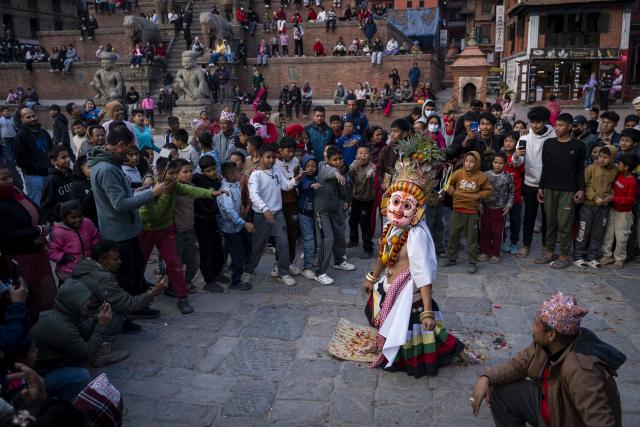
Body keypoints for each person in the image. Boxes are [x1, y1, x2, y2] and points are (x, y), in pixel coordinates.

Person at [363, 139, 464, 377]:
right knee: (381, 315)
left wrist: (427, 311)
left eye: (406, 205)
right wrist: (372, 276)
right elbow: (385, 254)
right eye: (396, 202)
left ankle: (452, 349)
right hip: (389, 285)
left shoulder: (416, 236)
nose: (398, 209)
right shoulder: (390, 227)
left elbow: (423, 275)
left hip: (411, 292)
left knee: (417, 329)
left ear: (417, 210)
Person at [471, 292, 625, 427]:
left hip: (563, 419)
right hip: (551, 403)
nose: (533, 328)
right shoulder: (546, 345)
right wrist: (486, 378)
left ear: (551, 335)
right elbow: (520, 364)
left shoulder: (581, 371)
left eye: (536, 324)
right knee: (501, 392)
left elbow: (600, 421)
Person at [89, 123, 168, 308]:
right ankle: (132, 309)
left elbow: (119, 196)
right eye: (130, 149)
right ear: (121, 144)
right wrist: (152, 194)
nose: (131, 154)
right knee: (128, 275)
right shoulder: (107, 168)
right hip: (120, 231)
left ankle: (139, 302)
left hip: (125, 227)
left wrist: (138, 191)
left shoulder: (108, 163)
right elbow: (120, 204)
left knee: (135, 270)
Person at [31, 280, 128, 399]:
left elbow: (83, 334)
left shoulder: (64, 314)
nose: (88, 303)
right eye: (84, 300)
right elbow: (86, 354)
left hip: (54, 365)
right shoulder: (61, 327)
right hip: (39, 377)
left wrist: (97, 319)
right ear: (74, 303)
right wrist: (102, 325)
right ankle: (65, 407)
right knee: (81, 376)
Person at [244, 144, 303, 287]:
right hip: (262, 216)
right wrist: (265, 208)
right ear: (260, 158)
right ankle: (249, 270)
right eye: (268, 157)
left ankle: (283, 272)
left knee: (283, 243)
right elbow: (254, 195)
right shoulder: (255, 175)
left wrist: (296, 180)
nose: (271, 160)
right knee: (258, 246)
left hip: (277, 214)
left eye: (273, 157)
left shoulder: (276, 170)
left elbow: (285, 186)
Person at [536, 113, 587, 268]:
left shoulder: (578, 146)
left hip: (568, 190)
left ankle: (565, 256)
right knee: (550, 222)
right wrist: (541, 187)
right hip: (549, 188)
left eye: (561, 125)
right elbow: (545, 167)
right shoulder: (549, 144)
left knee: (564, 224)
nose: (557, 128)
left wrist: (581, 189)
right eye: (556, 125)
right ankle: (549, 252)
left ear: (570, 127)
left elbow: (580, 170)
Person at [443, 151, 492, 273]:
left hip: (472, 211)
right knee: (454, 235)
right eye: (467, 161)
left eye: (472, 162)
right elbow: (448, 185)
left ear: (477, 163)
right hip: (457, 209)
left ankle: (472, 261)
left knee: (472, 237)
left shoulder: (481, 176)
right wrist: (453, 192)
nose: (468, 164)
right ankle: (451, 258)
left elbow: (488, 190)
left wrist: (478, 196)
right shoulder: (458, 173)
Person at [516, 107, 556, 258]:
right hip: (530, 183)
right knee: (529, 215)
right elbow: (519, 161)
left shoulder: (553, 135)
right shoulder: (525, 137)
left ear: (545, 121)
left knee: (548, 217)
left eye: (538, 122)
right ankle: (526, 245)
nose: (534, 125)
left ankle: (547, 246)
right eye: (532, 122)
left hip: (548, 184)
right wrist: (515, 156)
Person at [314, 145, 355, 285]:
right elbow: (329, 171)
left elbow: (345, 189)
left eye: (340, 158)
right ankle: (319, 271)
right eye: (335, 159)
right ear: (328, 159)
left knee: (339, 234)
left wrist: (345, 201)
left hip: (335, 209)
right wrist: (337, 173)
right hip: (322, 211)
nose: (338, 161)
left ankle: (339, 261)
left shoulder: (343, 170)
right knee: (327, 239)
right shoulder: (323, 167)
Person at [573, 144, 617, 269]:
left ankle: (592, 257)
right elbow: (584, 186)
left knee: (598, 232)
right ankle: (578, 256)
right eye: (600, 156)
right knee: (583, 231)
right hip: (588, 206)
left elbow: (614, 187)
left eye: (606, 157)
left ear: (613, 158)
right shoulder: (590, 168)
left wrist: (610, 197)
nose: (601, 159)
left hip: (603, 208)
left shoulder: (614, 170)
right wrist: (594, 197)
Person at [192, 156, 228, 292]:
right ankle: (209, 280)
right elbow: (187, 176)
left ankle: (216, 272)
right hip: (201, 220)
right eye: (208, 171)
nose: (212, 173)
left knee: (217, 247)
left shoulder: (218, 182)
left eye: (213, 169)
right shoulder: (199, 179)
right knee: (206, 249)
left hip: (213, 219)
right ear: (202, 172)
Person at [216, 161, 254, 291]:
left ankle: (234, 269)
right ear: (231, 176)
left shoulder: (235, 183)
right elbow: (230, 211)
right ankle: (235, 282)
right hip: (231, 228)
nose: (241, 173)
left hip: (236, 225)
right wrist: (245, 224)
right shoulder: (226, 191)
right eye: (238, 171)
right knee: (238, 253)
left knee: (239, 250)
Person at [47, 200, 100, 283]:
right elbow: (52, 251)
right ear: (64, 218)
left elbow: (95, 236)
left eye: (80, 216)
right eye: (73, 217)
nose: (78, 219)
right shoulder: (58, 232)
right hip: (69, 271)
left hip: (89, 265)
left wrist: (95, 249)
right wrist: (63, 257)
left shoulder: (87, 223)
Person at [478, 152, 513, 264]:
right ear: (492, 163)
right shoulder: (485, 175)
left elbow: (511, 193)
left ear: (505, 164)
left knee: (497, 232)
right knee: (485, 231)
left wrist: (508, 206)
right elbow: (479, 190)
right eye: (495, 162)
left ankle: (495, 253)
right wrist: (479, 204)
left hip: (500, 209)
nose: (498, 165)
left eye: (500, 163)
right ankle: (484, 251)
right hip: (486, 208)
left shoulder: (507, 177)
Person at [14, 108, 53, 205]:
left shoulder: (44, 132)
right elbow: (20, 160)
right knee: (37, 203)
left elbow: (52, 151)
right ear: (22, 120)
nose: (32, 118)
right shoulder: (20, 136)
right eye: (28, 117)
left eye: (33, 115)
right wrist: (38, 169)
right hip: (34, 177)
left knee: (51, 201)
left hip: (49, 173)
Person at [275, 137, 301, 275]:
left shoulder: (296, 161)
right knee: (280, 236)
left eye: (293, 151)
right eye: (288, 151)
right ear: (280, 150)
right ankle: (279, 263)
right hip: (278, 203)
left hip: (292, 202)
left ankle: (290, 262)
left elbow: (298, 178)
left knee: (292, 234)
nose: (291, 154)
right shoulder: (274, 163)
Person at [348, 146, 376, 259]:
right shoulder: (354, 164)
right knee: (352, 220)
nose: (363, 155)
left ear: (370, 156)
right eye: (360, 153)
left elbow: (372, 172)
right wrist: (353, 168)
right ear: (356, 155)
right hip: (356, 197)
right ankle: (353, 239)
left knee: (365, 224)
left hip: (367, 199)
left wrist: (370, 174)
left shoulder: (371, 166)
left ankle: (368, 249)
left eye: (366, 153)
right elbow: (349, 175)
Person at [39, 146, 73, 223]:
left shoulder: (72, 175)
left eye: (68, 156)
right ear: (53, 162)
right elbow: (45, 208)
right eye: (63, 157)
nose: (68, 159)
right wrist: (59, 220)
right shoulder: (51, 180)